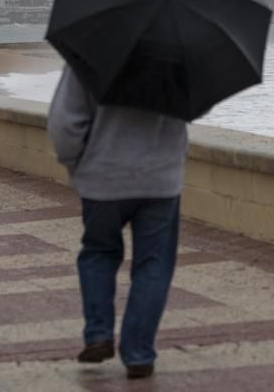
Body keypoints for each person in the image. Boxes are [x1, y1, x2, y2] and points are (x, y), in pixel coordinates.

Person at [48, 65, 188, 380]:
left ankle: (98, 334)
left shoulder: (90, 54)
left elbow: (64, 125)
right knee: (153, 264)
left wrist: (75, 167)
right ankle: (138, 353)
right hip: (160, 181)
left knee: (98, 252)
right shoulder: (178, 55)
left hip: (102, 178)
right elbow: (192, 110)